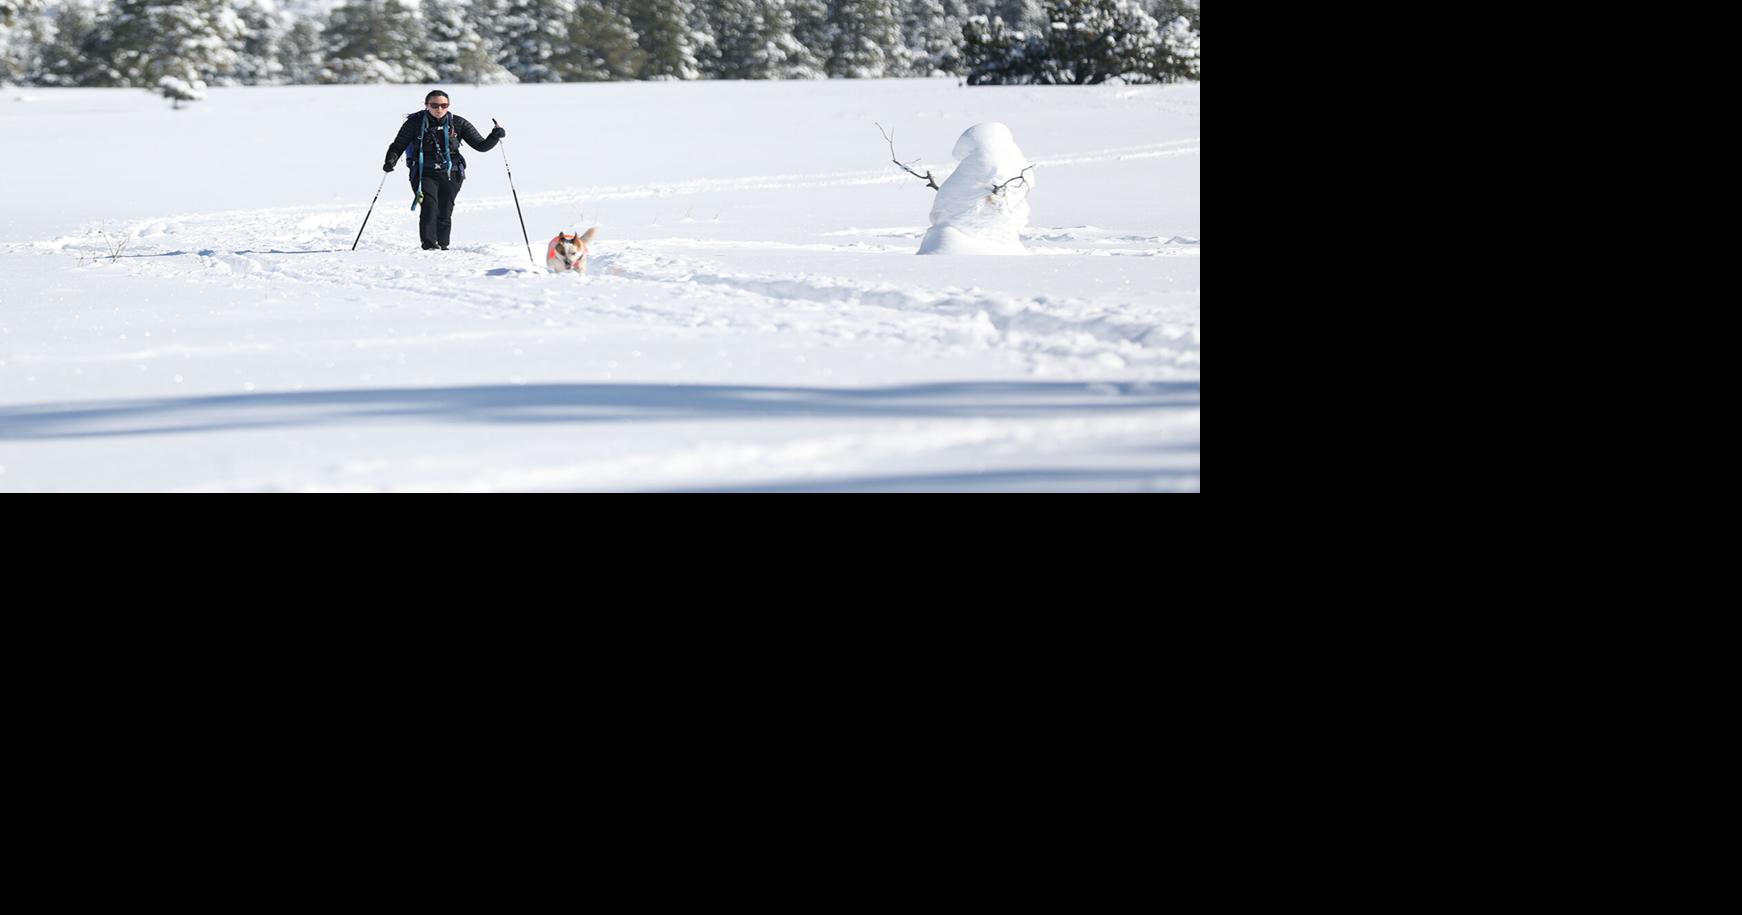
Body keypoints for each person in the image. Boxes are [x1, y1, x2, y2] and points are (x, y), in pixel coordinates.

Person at [383, 90, 506, 250]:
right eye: (434, 105)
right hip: (423, 172)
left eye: (443, 105)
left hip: (452, 172)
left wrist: (495, 136)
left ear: (448, 106)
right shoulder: (414, 123)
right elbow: (398, 145)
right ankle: (429, 245)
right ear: (426, 105)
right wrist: (390, 160)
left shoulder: (459, 123)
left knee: (445, 210)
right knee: (429, 206)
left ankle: (443, 245)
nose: (439, 109)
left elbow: (481, 146)